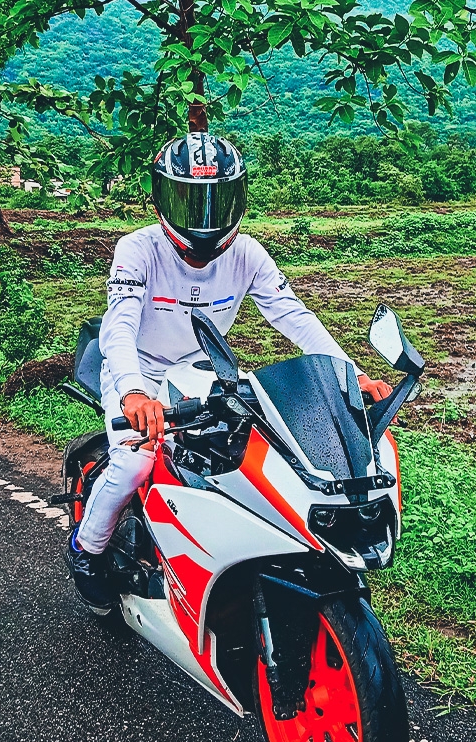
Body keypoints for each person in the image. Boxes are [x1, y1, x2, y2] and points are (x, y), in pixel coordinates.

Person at [66, 133, 392, 609]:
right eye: (190, 201)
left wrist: (350, 376)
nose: (204, 219)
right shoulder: (137, 249)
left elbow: (294, 316)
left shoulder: (248, 254)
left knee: (236, 451)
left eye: (217, 202)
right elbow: (120, 325)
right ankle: (87, 550)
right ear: (161, 199)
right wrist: (133, 391)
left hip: (199, 367)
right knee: (135, 461)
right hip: (137, 368)